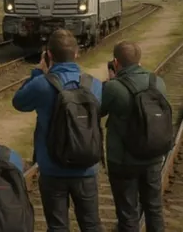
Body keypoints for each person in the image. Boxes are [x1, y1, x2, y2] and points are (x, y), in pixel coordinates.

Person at [12, 28, 104, 231]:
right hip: (86, 167)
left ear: (49, 55)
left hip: (52, 168)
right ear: (76, 53)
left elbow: (18, 102)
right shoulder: (94, 85)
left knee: (57, 226)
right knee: (91, 224)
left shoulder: (41, 85)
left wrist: (38, 71)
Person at [102, 41, 170, 232]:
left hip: (123, 160)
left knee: (127, 213)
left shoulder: (114, 87)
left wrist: (110, 81)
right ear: (139, 60)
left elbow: (99, 110)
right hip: (153, 156)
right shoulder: (157, 82)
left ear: (116, 62)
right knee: (154, 208)